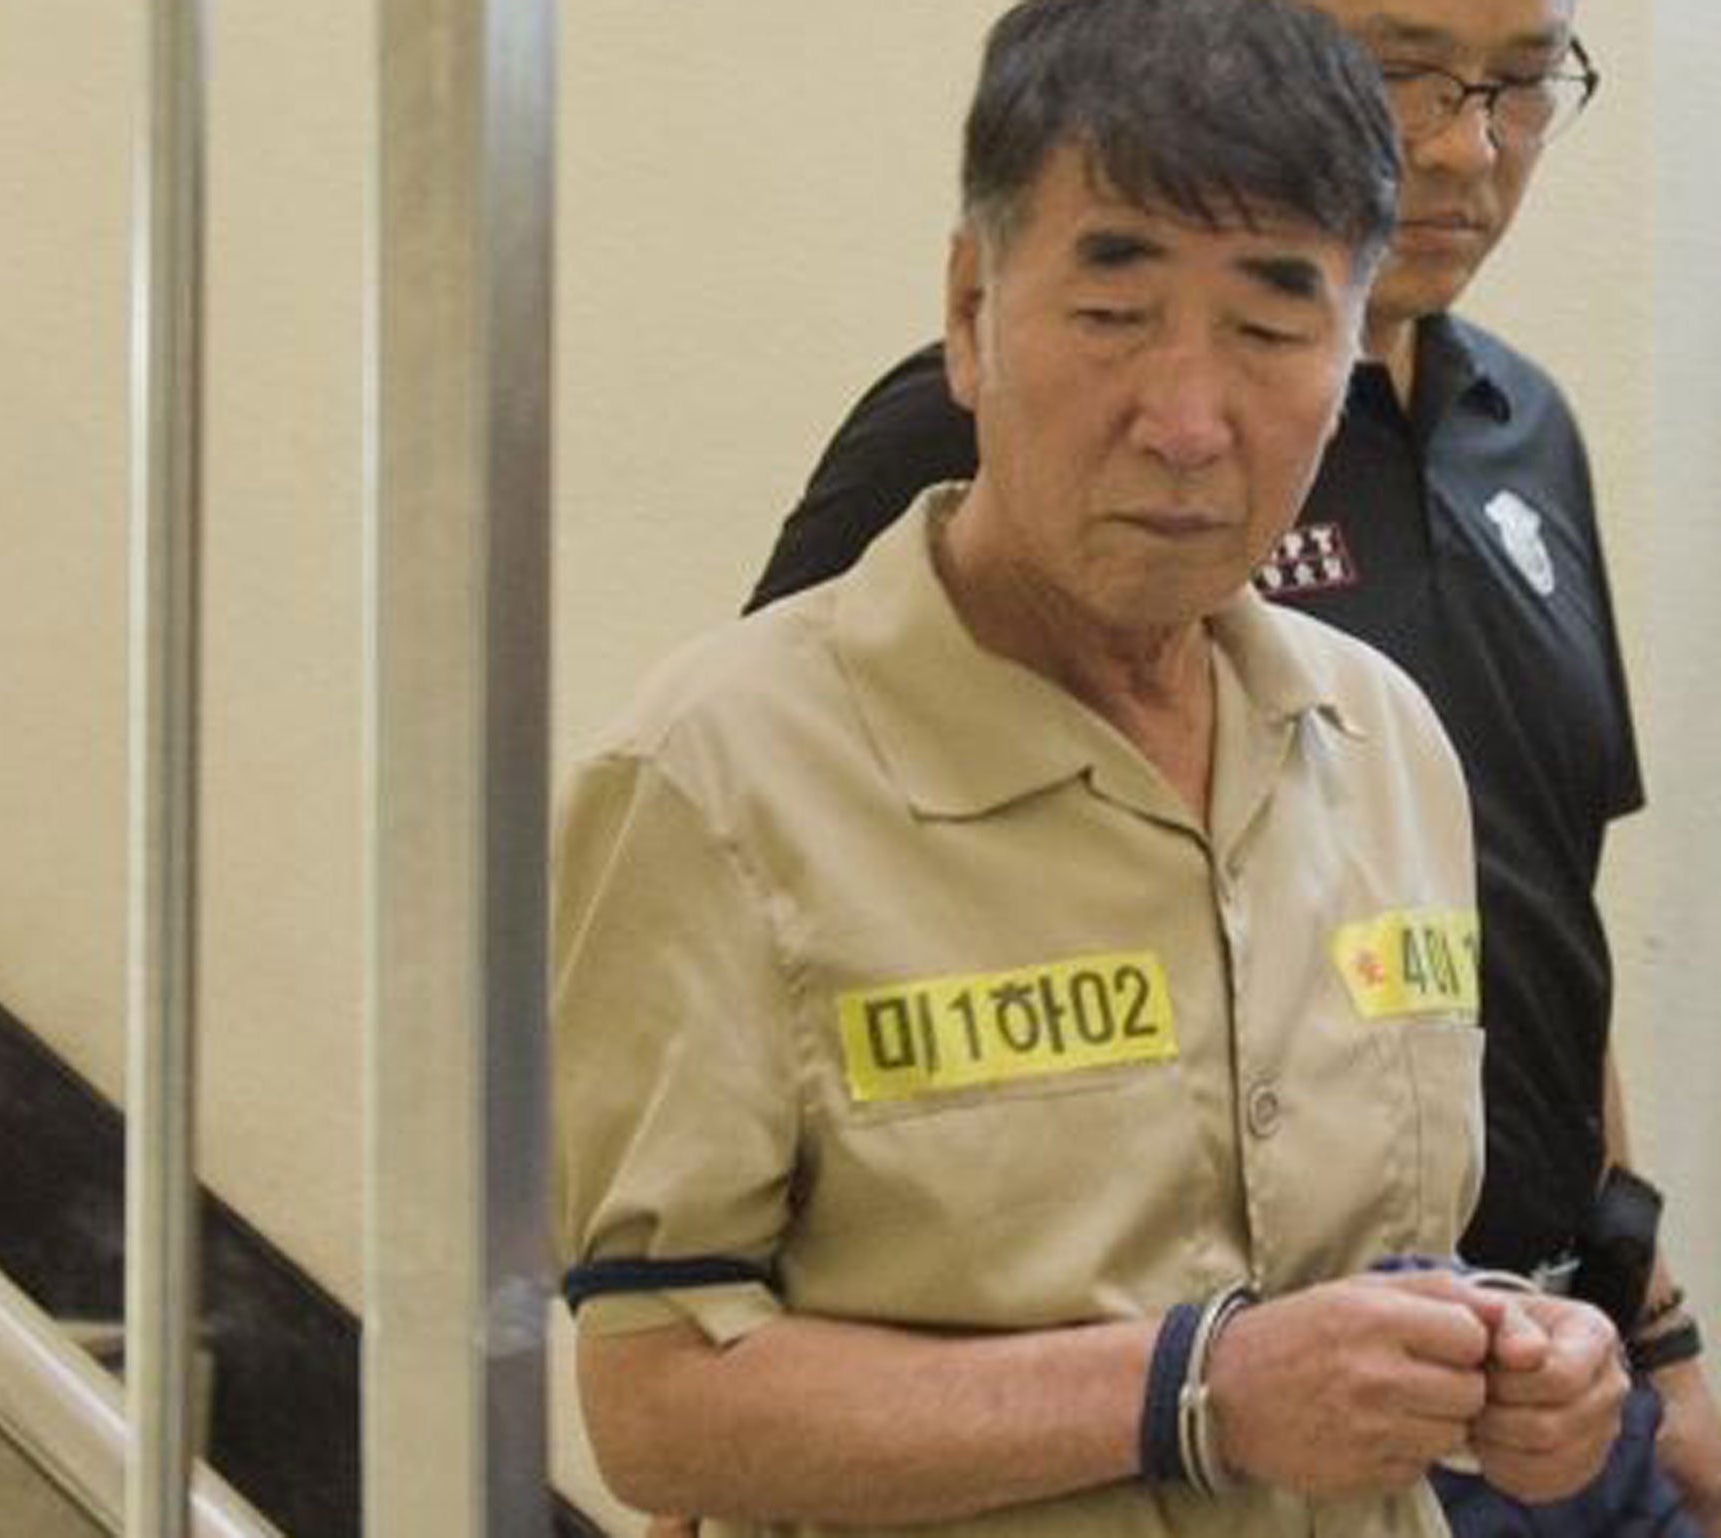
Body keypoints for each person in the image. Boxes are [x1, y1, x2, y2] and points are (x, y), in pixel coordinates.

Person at [554, 1, 1626, 1533]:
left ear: (1352, 348)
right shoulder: (717, 776)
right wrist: (1199, 1387)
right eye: (1113, 312)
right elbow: (656, 1405)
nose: (1189, 423)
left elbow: (1373, 1252)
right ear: (973, 310)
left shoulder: (1381, 740)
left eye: (1271, 328)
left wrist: (1521, 1349)